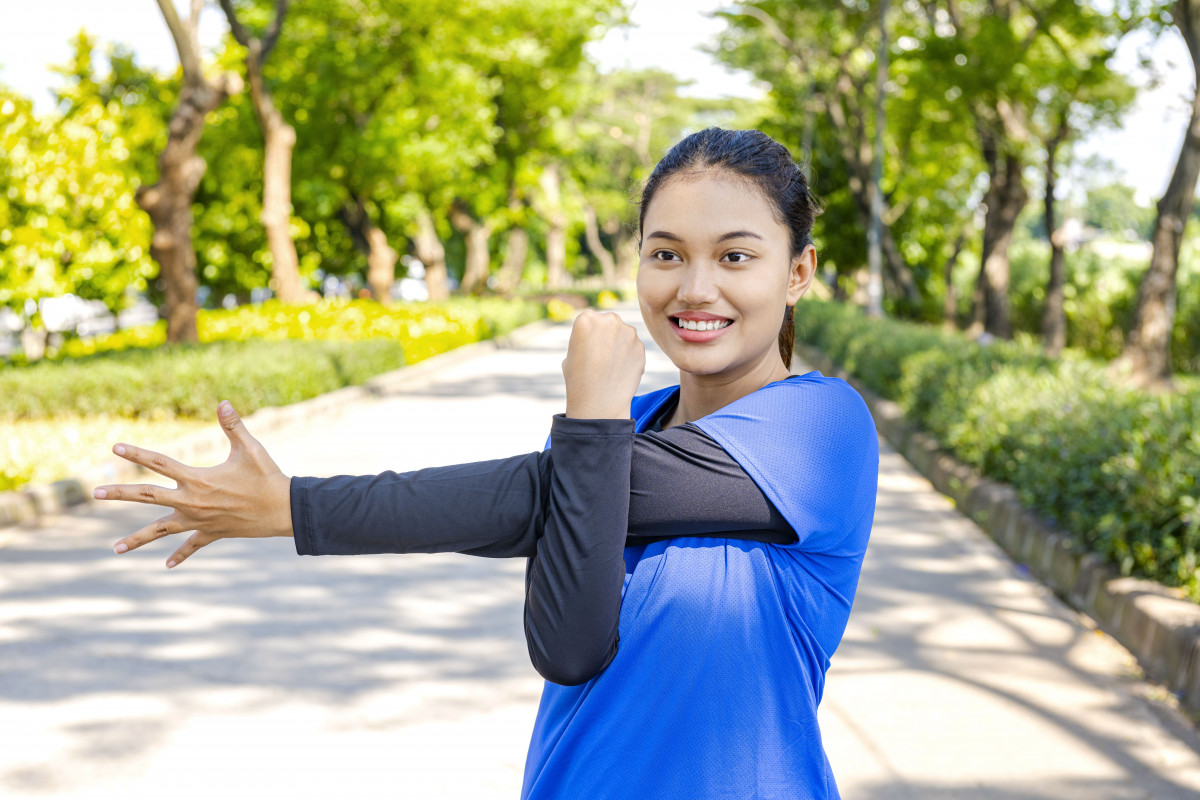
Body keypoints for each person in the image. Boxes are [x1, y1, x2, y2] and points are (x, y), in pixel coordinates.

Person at [97, 127, 879, 799]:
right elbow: (566, 652)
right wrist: (596, 422)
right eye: (666, 253)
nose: (695, 286)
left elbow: (531, 496)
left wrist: (294, 507)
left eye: (736, 256)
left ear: (799, 272)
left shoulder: (823, 427)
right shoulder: (609, 430)